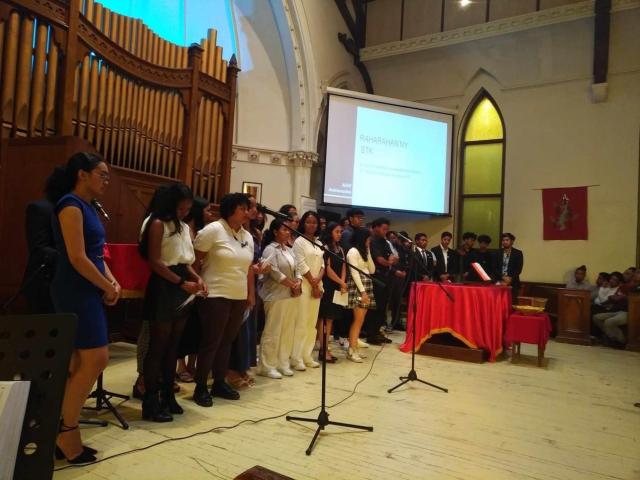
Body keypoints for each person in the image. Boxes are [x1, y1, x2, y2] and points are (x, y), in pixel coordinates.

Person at [47, 152, 121, 464]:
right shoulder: (70, 205)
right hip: (74, 289)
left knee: (80, 365)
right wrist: (105, 285)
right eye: (101, 174)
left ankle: (62, 433)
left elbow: (96, 254)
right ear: (82, 174)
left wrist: (112, 280)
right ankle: (67, 430)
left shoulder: (88, 206)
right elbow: (77, 257)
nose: (106, 180)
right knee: (96, 359)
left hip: (88, 288)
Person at [139, 183, 205, 422]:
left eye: (188, 209)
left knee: (173, 346)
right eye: (180, 208)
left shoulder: (184, 227)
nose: (184, 213)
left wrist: (197, 277)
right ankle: (150, 400)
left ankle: (168, 394)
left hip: (181, 283)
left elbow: (186, 260)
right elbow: (155, 261)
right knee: (158, 347)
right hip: (164, 285)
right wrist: (180, 282)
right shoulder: (157, 223)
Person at [193, 193, 255, 407]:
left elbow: (247, 269)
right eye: (243, 208)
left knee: (227, 340)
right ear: (230, 210)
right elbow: (194, 261)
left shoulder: (248, 236)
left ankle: (219, 382)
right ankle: (200, 386)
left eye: (247, 209)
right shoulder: (213, 230)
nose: (247, 212)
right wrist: (197, 284)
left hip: (237, 295)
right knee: (211, 341)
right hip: (215, 293)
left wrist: (250, 294)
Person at [228, 194, 270, 389]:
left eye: (254, 207)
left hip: (252, 282)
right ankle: (232, 370)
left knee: (248, 331)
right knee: (238, 330)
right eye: (249, 207)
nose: (254, 211)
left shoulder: (254, 233)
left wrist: (259, 268)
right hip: (238, 283)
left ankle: (243, 366)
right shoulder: (235, 231)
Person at [176, 196, 215, 384]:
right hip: (185, 281)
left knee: (196, 326)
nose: (210, 213)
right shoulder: (184, 228)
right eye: (207, 210)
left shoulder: (202, 231)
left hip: (199, 282)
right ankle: (180, 365)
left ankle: (193, 363)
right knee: (183, 326)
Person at [257, 219, 301, 378]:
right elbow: (274, 272)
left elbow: (298, 269)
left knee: (287, 330)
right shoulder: (270, 249)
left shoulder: (289, 249)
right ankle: (267, 366)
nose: (288, 232)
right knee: (273, 331)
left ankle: (283, 362)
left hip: (290, 294)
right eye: (284, 229)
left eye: (289, 230)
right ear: (275, 231)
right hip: (275, 294)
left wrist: (298, 281)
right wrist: (291, 284)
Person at [291, 211, 324, 370]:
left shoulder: (319, 242)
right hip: (305, 285)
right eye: (309, 222)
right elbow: (301, 264)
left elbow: (324, 265)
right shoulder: (299, 241)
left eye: (315, 222)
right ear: (303, 223)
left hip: (317, 285)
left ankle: (307, 355)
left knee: (312, 324)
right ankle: (296, 358)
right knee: (302, 322)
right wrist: (313, 282)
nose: (312, 225)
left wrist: (318, 282)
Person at [22, 198, 58, 313]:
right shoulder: (42, 209)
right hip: (46, 285)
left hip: (77, 287)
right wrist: (76, 259)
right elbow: (40, 249)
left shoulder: (87, 209)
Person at [317, 222, 347, 363]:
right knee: (324, 319)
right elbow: (328, 270)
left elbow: (344, 267)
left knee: (331, 319)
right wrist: (341, 282)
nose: (339, 234)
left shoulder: (341, 249)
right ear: (330, 232)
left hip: (337, 287)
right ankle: (323, 349)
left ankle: (326, 348)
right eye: (337, 231)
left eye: (341, 232)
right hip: (328, 286)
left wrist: (342, 283)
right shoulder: (326, 248)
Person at [346, 227, 376, 362]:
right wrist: (363, 292)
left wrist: (368, 252)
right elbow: (354, 273)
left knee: (361, 320)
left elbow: (372, 270)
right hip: (359, 288)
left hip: (367, 286)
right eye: (368, 238)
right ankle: (352, 350)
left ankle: (355, 347)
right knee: (357, 320)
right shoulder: (352, 252)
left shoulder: (363, 251)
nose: (369, 241)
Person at [498, 232, 523, 300]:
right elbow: (494, 267)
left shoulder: (518, 253)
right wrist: (503, 277)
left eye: (507, 240)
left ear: (512, 241)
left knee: (512, 303)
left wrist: (509, 279)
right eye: (503, 240)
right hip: (499, 281)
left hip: (513, 282)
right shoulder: (497, 252)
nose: (505, 242)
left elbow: (518, 269)